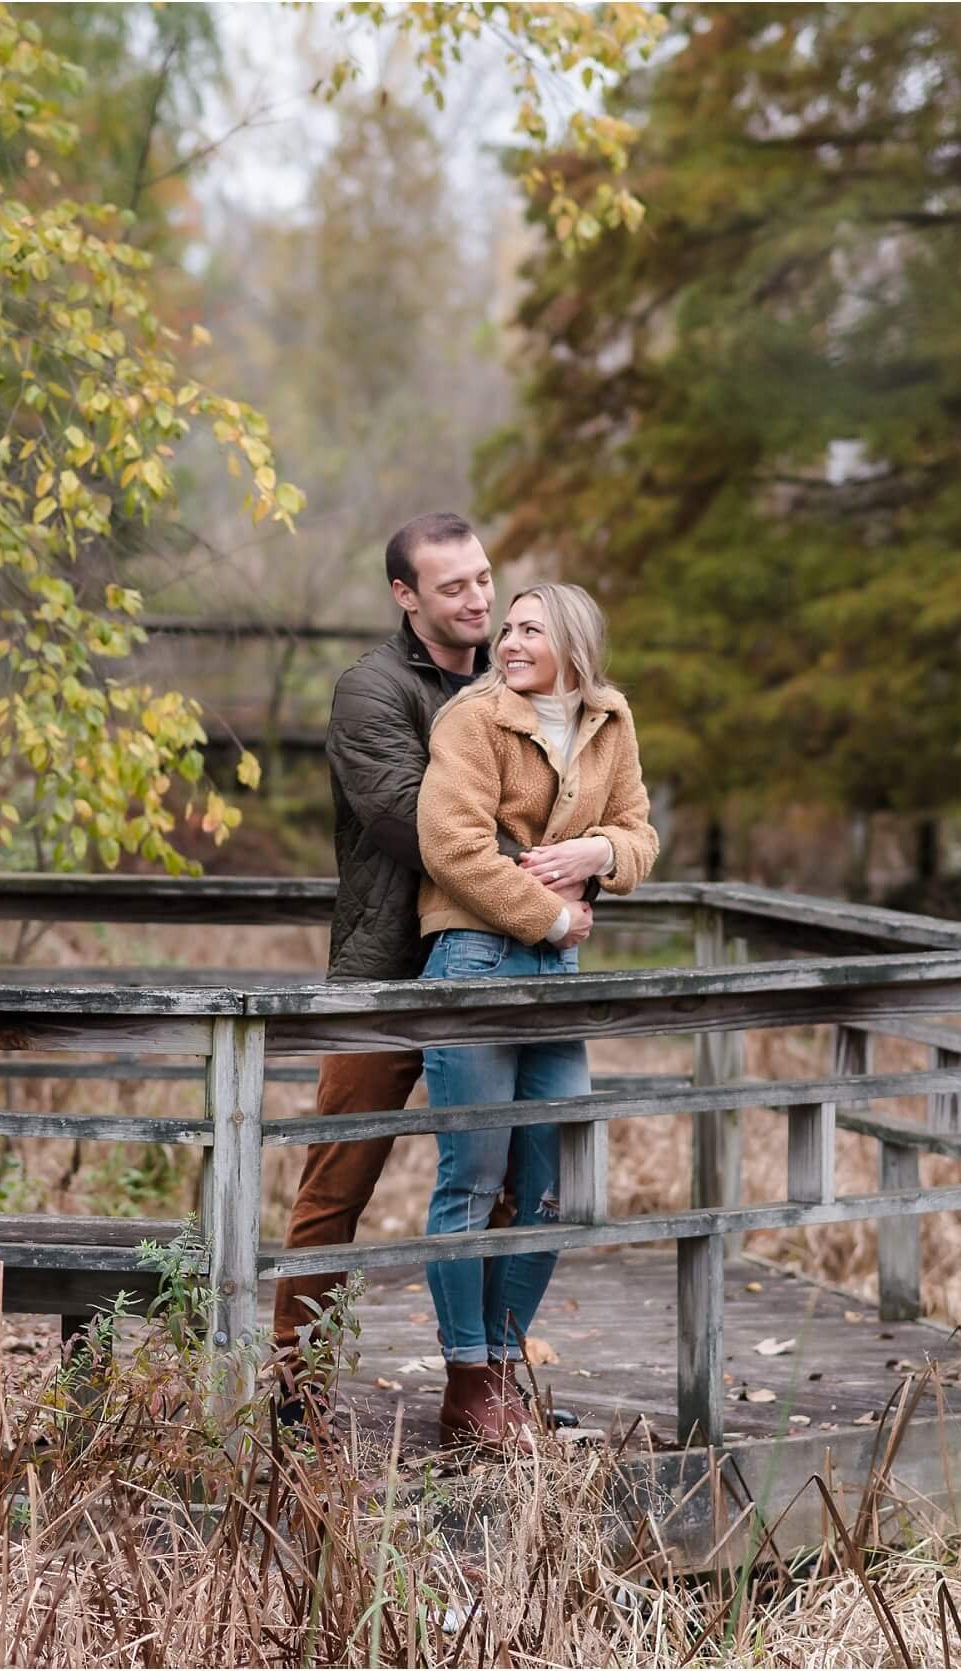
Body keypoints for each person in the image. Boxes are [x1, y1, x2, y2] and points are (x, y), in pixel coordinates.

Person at [270, 514, 593, 1394]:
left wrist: (590, 853)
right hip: (387, 972)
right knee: (336, 1186)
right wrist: (548, 878)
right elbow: (421, 822)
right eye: (453, 586)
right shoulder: (369, 691)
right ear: (405, 596)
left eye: (485, 578)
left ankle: (484, 1387)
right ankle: (295, 1395)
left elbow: (582, 795)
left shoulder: (517, 681)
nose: (480, 599)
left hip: (499, 962)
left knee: (510, 1182)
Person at [413, 581, 660, 1446]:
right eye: (506, 628)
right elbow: (450, 846)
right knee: (472, 1181)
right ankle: (469, 1382)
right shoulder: (474, 720)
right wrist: (553, 913)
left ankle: (505, 1371)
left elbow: (640, 832)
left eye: (529, 630)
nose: (509, 641)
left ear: (574, 644)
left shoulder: (609, 721)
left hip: (556, 975)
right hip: (475, 958)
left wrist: (601, 853)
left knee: (551, 1184)